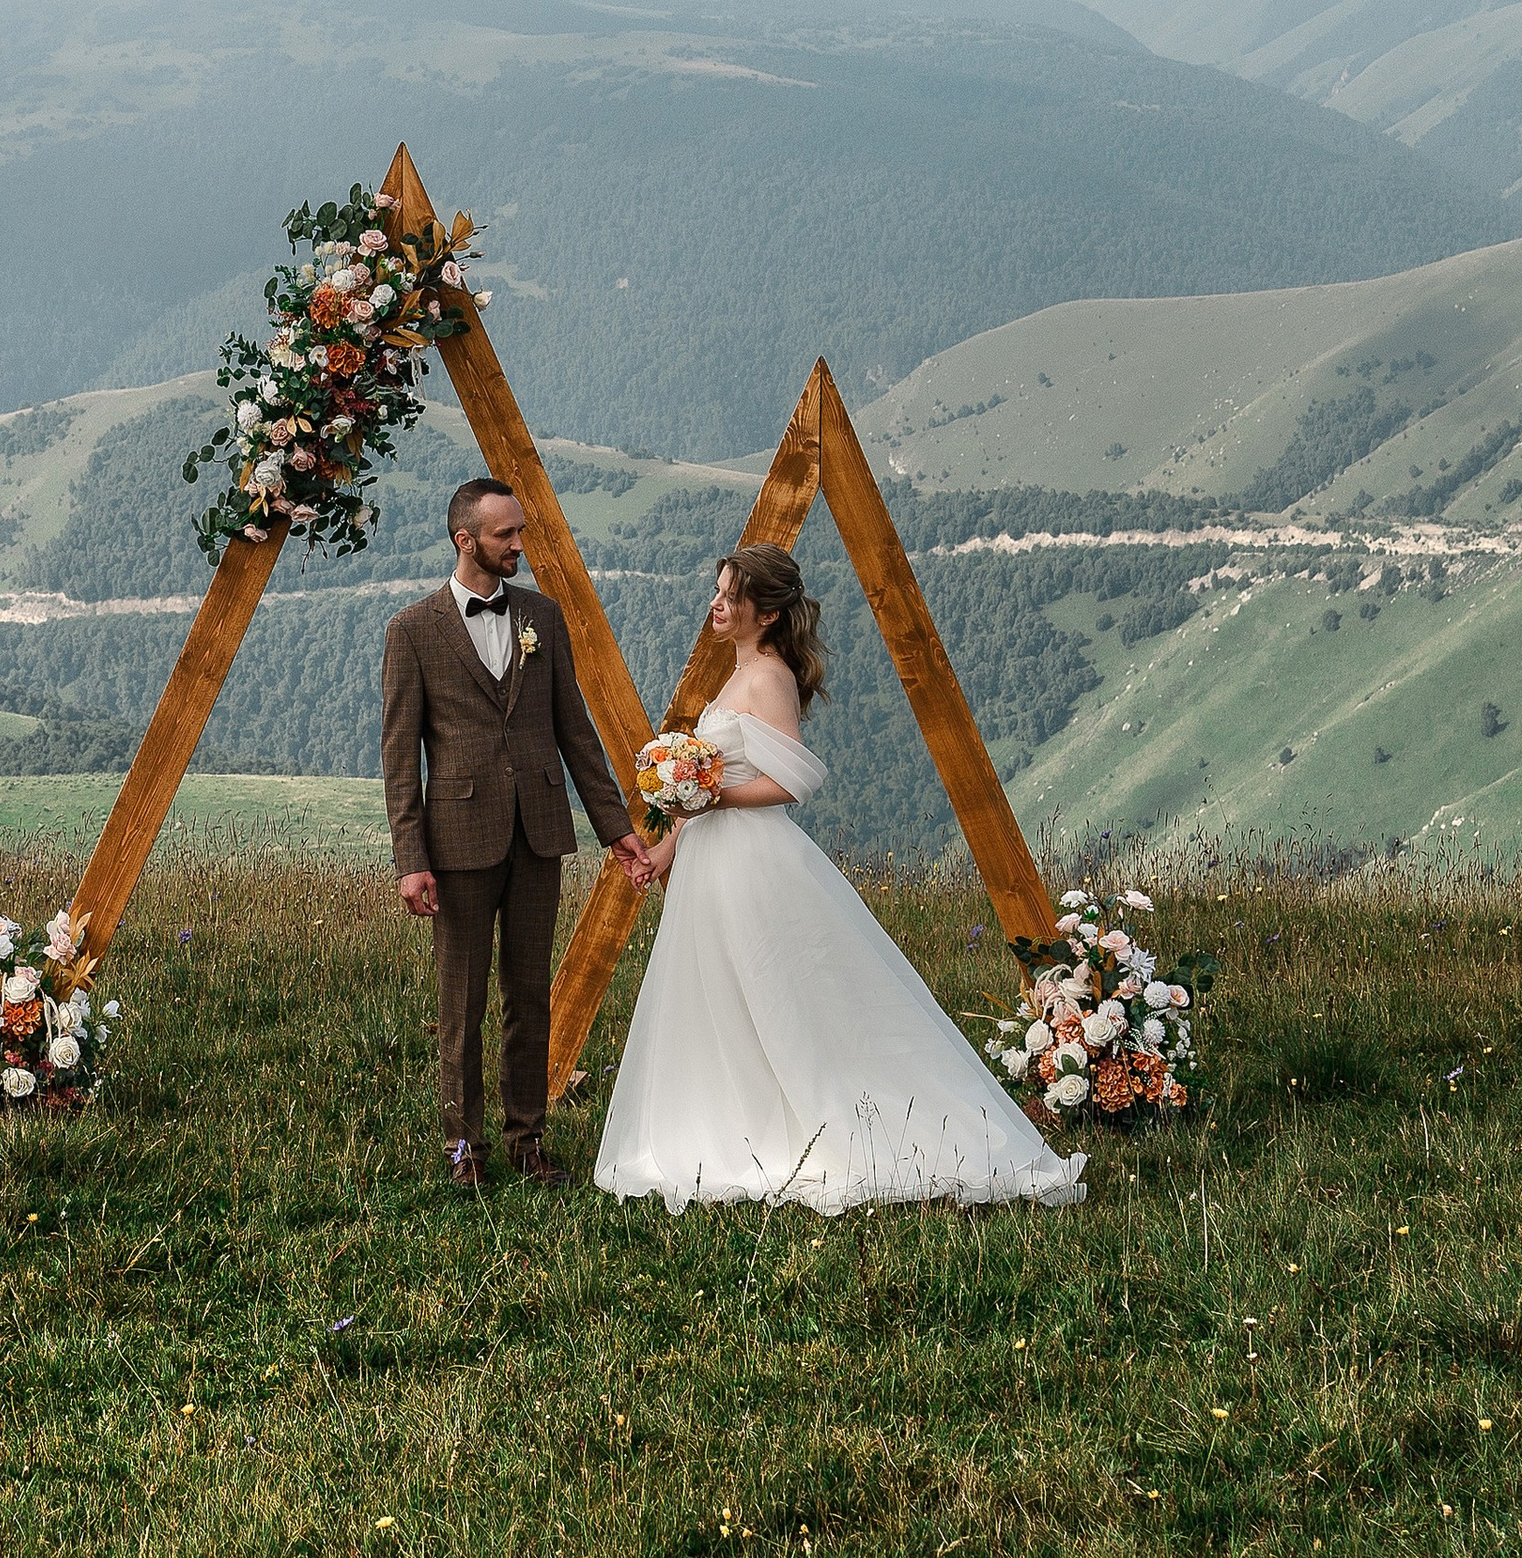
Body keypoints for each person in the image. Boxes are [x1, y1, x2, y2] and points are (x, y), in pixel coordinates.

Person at [595, 544, 1086, 1215]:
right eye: (718, 591)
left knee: (776, 991)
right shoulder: (738, 673)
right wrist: (666, 847)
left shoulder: (769, 677)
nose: (717, 604)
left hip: (751, 860)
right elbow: (709, 786)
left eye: (731, 596)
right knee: (722, 994)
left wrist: (713, 798)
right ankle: (737, 1120)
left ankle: (833, 1124)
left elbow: (792, 779)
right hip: (711, 857)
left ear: (766, 614)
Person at [382, 478, 652, 1189]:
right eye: (506, 534)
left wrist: (615, 828)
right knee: (462, 1005)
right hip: (458, 842)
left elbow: (574, 730)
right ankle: (463, 1150)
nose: (519, 546)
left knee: (530, 997)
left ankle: (528, 1142)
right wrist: (411, 858)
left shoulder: (543, 617)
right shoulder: (412, 630)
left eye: (521, 531)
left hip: (539, 834)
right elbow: (399, 756)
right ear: (465, 539)